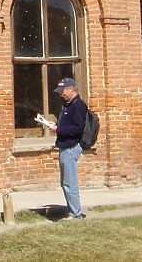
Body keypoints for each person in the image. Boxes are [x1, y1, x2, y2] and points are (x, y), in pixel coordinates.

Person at [48, 77, 87, 219]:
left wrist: (58, 129)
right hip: (65, 146)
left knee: (70, 182)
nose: (61, 94)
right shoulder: (68, 105)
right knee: (65, 182)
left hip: (71, 147)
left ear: (71, 89)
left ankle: (76, 214)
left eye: (63, 91)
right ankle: (72, 211)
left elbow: (77, 129)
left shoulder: (78, 106)